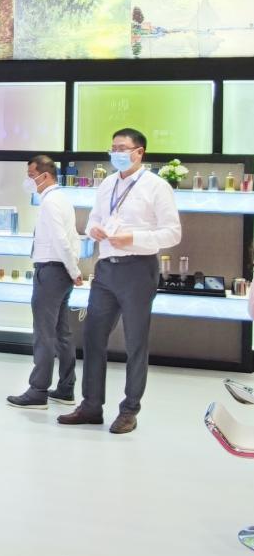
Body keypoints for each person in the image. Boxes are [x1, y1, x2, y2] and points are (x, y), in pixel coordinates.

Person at [58, 128, 180, 434]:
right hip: (106, 269)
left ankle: (129, 410)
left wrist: (133, 238)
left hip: (138, 269)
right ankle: (91, 406)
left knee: (135, 341)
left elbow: (172, 233)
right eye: (113, 148)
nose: (116, 153)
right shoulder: (107, 184)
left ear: (139, 152)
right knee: (93, 336)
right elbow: (94, 219)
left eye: (122, 148)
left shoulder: (157, 186)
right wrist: (94, 230)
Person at [7, 155, 83, 409]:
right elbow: (73, 238)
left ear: (45, 175)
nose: (28, 181)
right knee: (62, 332)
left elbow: (61, 239)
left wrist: (73, 269)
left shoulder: (50, 202)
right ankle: (66, 388)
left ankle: (38, 390)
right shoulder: (62, 199)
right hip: (61, 272)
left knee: (44, 333)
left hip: (50, 271)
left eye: (31, 176)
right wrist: (73, 269)